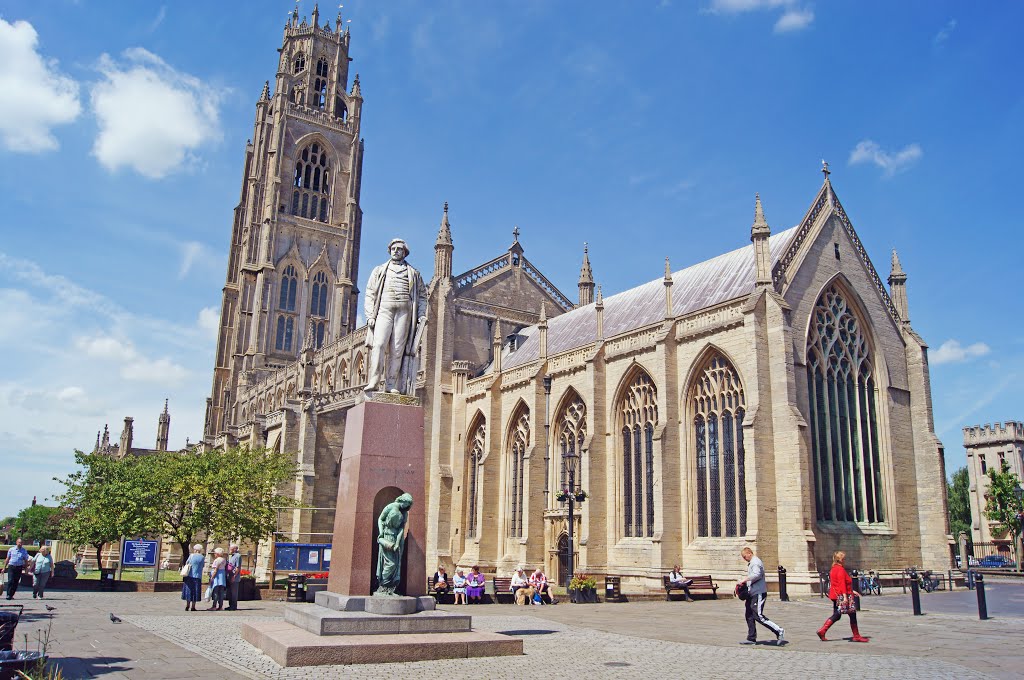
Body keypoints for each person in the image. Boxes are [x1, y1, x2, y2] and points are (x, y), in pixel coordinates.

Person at [363, 238, 428, 395]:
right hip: (384, 310)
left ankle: (391, 383)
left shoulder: (414, 273)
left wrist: (421, 314)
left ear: (405, 252)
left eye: (399, 249)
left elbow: (422, 296)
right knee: (379, 345)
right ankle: (374, 380)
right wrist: (370, 315)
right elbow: (370, 293)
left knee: (397, 349)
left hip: (404, 312)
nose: (396, 251)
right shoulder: (379, 270)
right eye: (393, 248)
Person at [818, 550, 869, 642]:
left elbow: (837, 583)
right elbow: (842, 584)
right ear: (840, 559)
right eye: (843, 558)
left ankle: (823, 631)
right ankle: (856, 636)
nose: (845, 560)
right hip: (842, 596)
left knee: (838, 615)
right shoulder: (840, 569)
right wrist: (845, 597)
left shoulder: (833, 569)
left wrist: (852, 591)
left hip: (835, 595)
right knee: (849, 614)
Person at [737, 547, 784, 645]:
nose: (744, 559)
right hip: (752, 593)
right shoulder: (752, 563)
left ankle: (778, 630)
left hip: (758, 593)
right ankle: (751, 638)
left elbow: (757, 574)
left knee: (758, 615)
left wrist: (745, 580)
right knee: (749, 615)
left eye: (745, 557)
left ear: (749, 553)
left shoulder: (756, 562)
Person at [181, 544, 205, 612]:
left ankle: (187, 605)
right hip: (197, 576)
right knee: (195, 591)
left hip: (190, 575)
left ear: (195, 549)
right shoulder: (202, 557)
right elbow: (202, 565)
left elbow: (187, 563)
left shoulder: (191, 556)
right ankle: (193, 606)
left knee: (189, 590)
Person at [226, 544, 242, 611]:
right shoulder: (231, 556)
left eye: (231, 549)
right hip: (230, 575)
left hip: (234, 577)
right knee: (230, 592)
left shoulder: (238, 556)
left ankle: (234, 606)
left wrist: (234, 576)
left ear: (235, 549)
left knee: (234, 592)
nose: (230, 550)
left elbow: (238, 567)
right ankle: (230, 605)